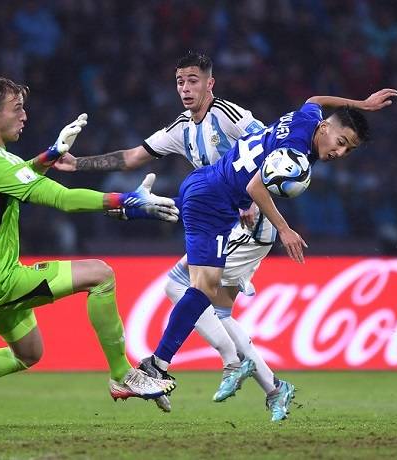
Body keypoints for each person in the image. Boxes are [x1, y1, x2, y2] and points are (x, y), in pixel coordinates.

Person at [0, 77, 178, 427]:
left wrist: (53, 153)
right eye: (17, 109)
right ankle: (122, 373)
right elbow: (61, 198)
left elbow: (16, 177)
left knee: (28, 353)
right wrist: (127, 203)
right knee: (101, 275)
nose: (24, 116)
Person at [136, 86, 397, 421]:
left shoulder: (307, 122)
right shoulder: (297, 153)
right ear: (324, 128)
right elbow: (255, 186)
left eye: (349, 149)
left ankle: (217, 367)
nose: (340, 152)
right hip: (224, 206)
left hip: (220, 202)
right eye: (341, 141)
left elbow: (314, 101)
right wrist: (286, 230)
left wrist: (357, 105)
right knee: (196, 293)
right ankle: (258, 379)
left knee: (197, 294)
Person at [55, 52, 285, 419]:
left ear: (210, 83)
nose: (185, 88)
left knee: (198, 294)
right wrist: (77, 164)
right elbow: (133, 157)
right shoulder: (181, 128)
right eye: (180, 81)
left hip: (248, 222)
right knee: (191, 293)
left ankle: (204, 366)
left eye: (193, 80)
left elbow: (269, 146)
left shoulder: (230, 116)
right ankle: (270, 386)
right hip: (220, 221)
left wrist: (251, 197)